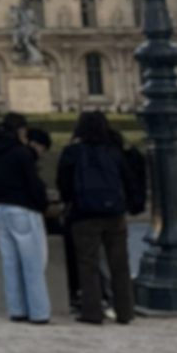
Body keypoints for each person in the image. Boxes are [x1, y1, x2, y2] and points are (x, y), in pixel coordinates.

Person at [57, 110, 140, 326]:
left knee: (88, 264)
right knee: (119, 265)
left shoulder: (72, 152)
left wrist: (69, 202)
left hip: (84, 214)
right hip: (114, 212)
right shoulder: (113, 151)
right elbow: (128, 179)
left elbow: (64, 183)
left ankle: (92, 311)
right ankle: (125, 311)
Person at [0, 112, 52, 324]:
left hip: (0, 210)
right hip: (23, 210)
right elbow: (33, 184)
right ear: (20, 131)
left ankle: (17, 310)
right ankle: (39, 312)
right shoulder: (21, 153)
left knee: (10, 264)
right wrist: (42, 204)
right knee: (33, 264)